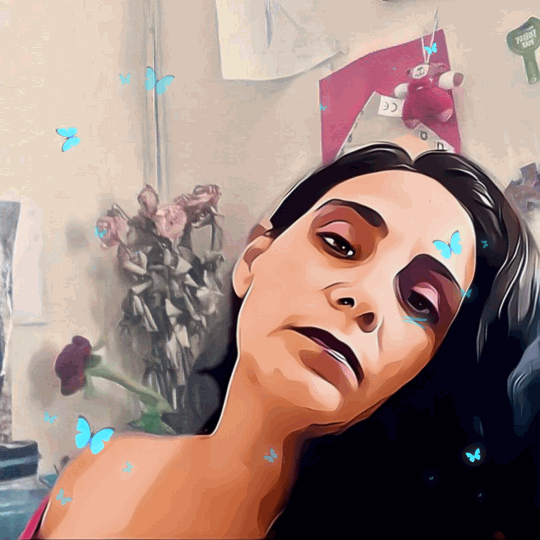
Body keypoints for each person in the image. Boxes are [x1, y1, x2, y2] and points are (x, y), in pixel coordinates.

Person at [22, 143, 540, 539]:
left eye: (420, 302)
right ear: (253, 258)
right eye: (340, 243)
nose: (364, 297)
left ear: (423, 368)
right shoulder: (94, 473)